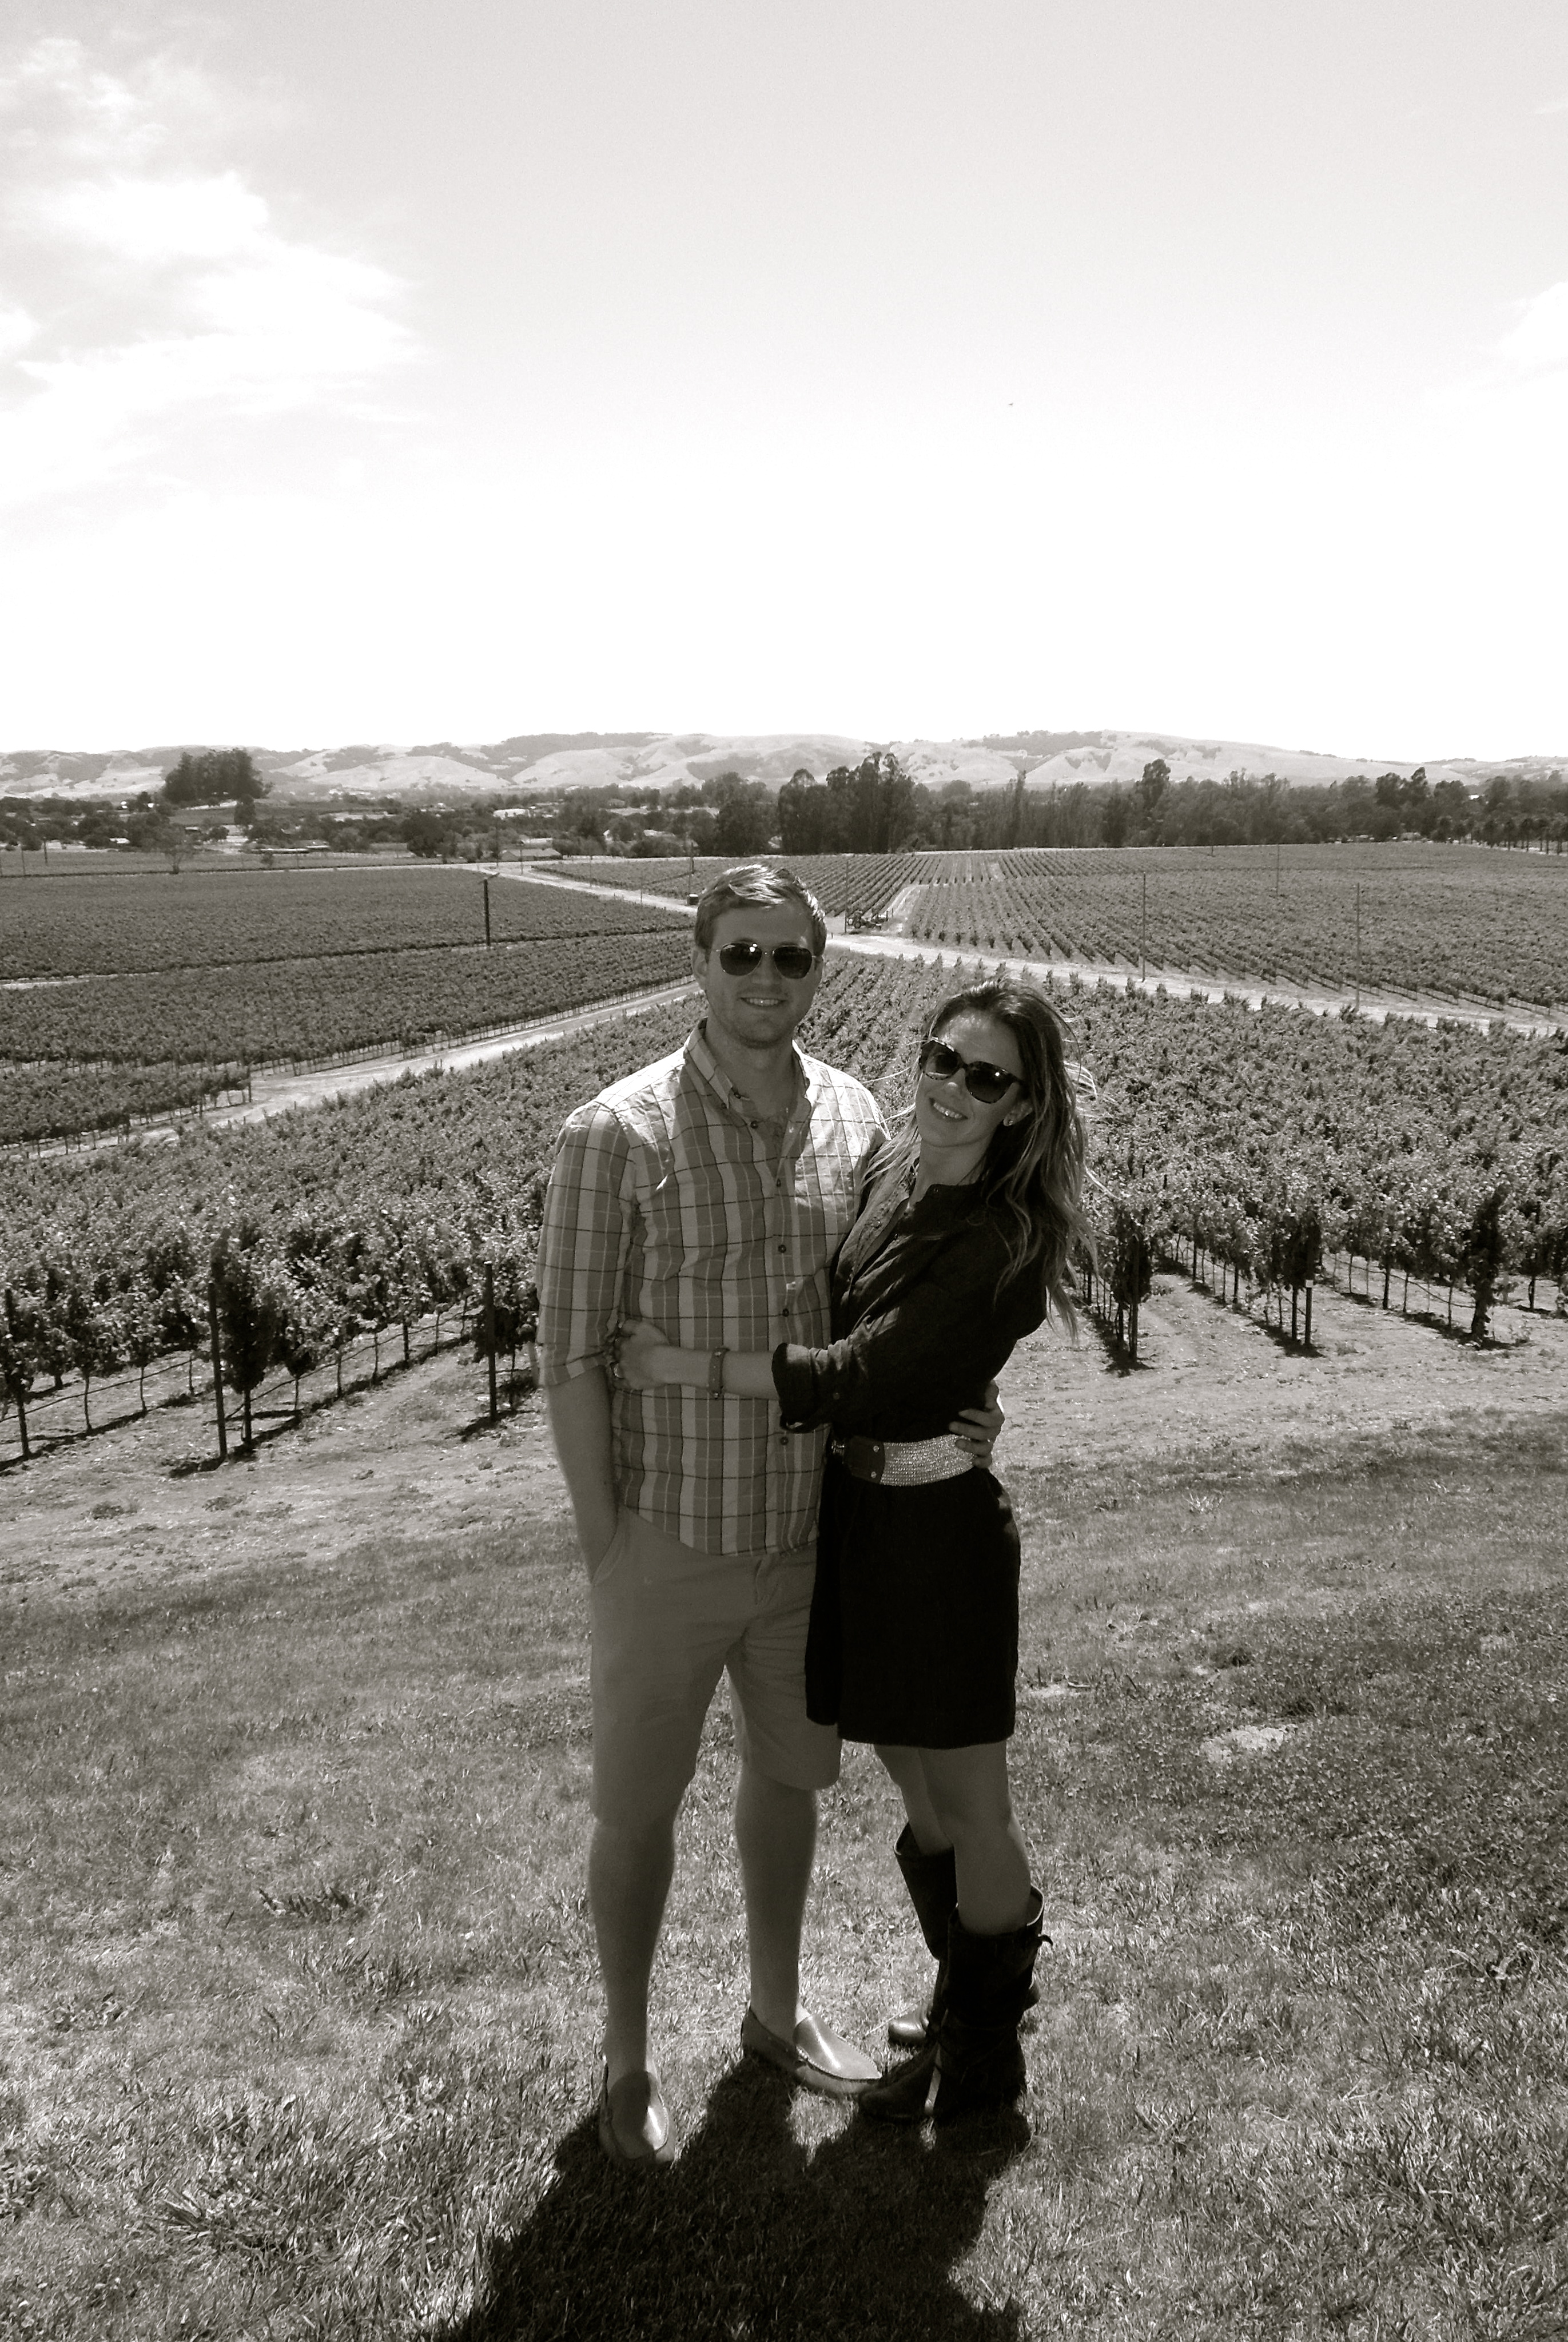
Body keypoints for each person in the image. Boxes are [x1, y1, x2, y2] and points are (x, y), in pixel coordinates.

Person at [535, 864, 1000, 2166]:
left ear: (816, 968)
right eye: (741, 952)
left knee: (788, 1783)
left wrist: (964, 1404)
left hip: (809, 1538)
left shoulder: (856, 1118)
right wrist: (606, 1543)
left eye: (791, 956)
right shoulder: (615, 1133)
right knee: (637, 1808)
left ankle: (775, 2012)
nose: (765, 977)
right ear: (699, 961)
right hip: (667, 1536)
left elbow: (896, 1311)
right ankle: (626, 2057)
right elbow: (568, 1359)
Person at [616, 973, 1091, 2126]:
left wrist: (680, 1365)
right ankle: (961, 1998)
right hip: (864, 1525)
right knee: (915, 1779)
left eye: (987, 1077)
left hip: (938, 1542)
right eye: (942, 1058)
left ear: (1025, 1105)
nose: (953, 1087)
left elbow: (860, 1369)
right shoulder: (890, 1168)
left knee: (972, 1803)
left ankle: (985, 2060)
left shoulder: (1002, 1240)